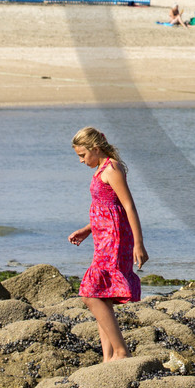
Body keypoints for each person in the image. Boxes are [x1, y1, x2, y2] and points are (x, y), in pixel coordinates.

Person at [68, 127, 147, 362]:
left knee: (90, 294)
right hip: (103, 237)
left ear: (95, 148)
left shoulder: (111, 169)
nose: (81, 161)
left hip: (115, 239)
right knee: (101, 295)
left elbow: (128, 207)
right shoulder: (101, 169)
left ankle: (121, 352)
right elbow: (105, 209)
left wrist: (139, 244)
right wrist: (86, 230)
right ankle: (108, 357)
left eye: (82, 155)